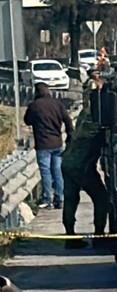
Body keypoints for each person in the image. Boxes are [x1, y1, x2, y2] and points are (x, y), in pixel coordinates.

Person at [61, 68, 112, 249]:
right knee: (102, 199)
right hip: (82, 165)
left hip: (68, 161)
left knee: (70, 200)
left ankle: (70, 237)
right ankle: (99, 235)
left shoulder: (84, 115)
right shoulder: (96, 121)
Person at [23, 82, 73, 211]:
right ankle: (60, 198)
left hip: (43, 144)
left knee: (46, 172)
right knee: (57, 171)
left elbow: (27, 120)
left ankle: (47, 199)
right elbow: (68, 120)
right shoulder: (57, 104)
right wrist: (70, 136)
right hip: (57, 143)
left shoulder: (34, 106)